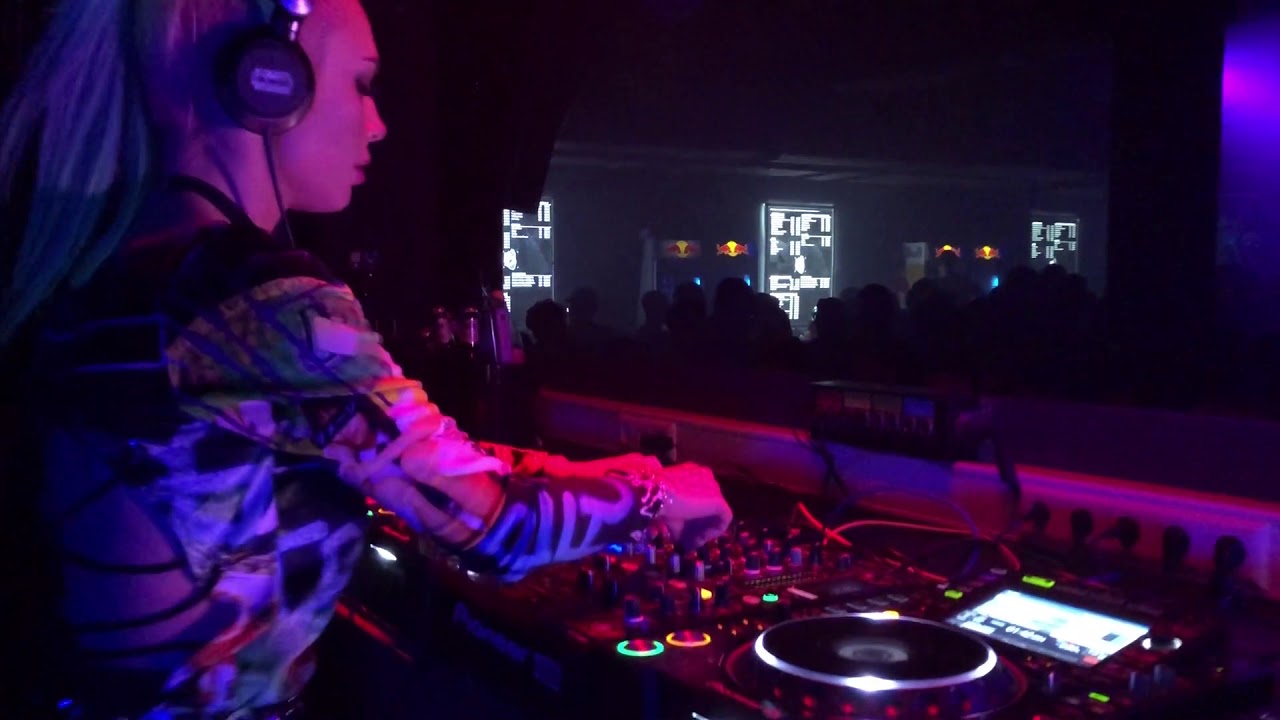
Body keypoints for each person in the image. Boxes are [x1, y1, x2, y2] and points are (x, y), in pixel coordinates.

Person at [0, 1, 733, 718]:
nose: (378, 124)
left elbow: (409, 455)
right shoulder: (258, 302)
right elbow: (494, 530)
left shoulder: (122, 273)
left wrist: (576, 472)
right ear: (268, 80)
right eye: (360, 83)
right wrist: (657, 495)